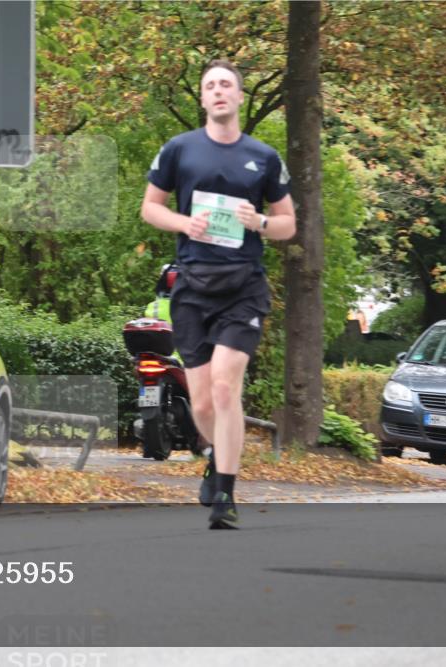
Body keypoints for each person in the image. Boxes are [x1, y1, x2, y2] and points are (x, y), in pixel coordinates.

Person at [140, 60, 296, 529]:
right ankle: (214, 454)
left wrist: (262, 224)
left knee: (228, 387)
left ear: (240, 96)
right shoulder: (179, 150)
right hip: (192, 286)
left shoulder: (264, 157)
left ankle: (226, 495)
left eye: (226, 84)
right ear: (204, 100)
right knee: (203, 402)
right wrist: (185, 223)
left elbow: (289, 223)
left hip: (243, 287)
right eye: (211, 86)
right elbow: (150, 208)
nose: (218, 91)